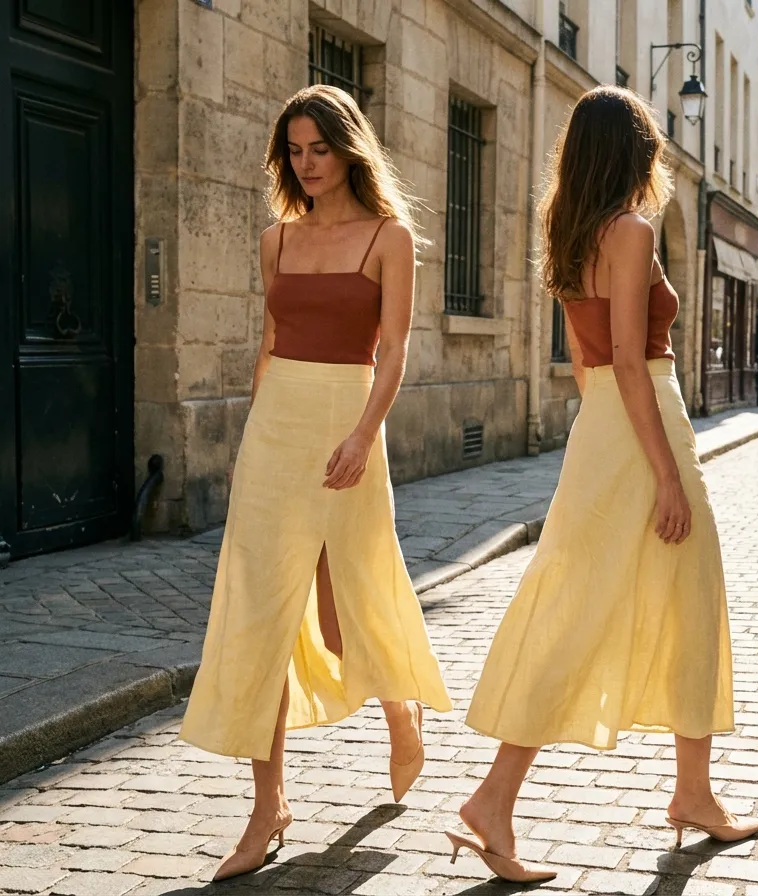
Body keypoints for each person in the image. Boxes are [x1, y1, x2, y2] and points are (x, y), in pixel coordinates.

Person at [448, 86, 758, 884]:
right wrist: (664, 474)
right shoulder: (630, 231)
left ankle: (691, 790)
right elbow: (628, 359)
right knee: (665, 601)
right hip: (642, 419)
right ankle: (496, 800)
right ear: (637, 152)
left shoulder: (568, 232)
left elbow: (588, 364)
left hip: (604, 426)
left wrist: (606, 450)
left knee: (585, 606)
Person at [179, 86, 452, 882]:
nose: (306, 164)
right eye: (294, 151)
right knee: (260, 616)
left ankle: (399, 711)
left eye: (319, 149)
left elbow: (394, 352)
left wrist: (364, 434)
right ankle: (269, 810)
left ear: (347, 148)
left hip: (349, 426)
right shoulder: (277, 241)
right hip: (276, 435)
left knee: (343, 615)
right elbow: (267, 346)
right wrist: (248, 442)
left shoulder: (388, 238)